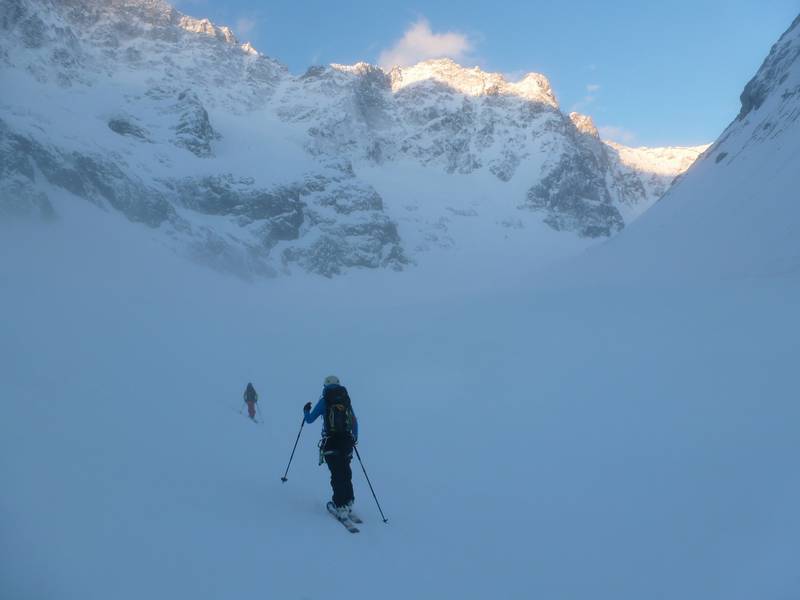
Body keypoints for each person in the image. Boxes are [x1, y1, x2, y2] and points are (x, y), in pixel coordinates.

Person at [303, 375, 358, 520]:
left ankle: (339, 506)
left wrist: (305, 410)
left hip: (331, 442)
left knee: (336, 474)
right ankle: (349, 501)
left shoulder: (324, 400)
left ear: (325, 386)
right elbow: (354, 421)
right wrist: (354, 439)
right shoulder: (346, 400)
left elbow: (309, 420)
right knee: (345, 471)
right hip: (346, 441)